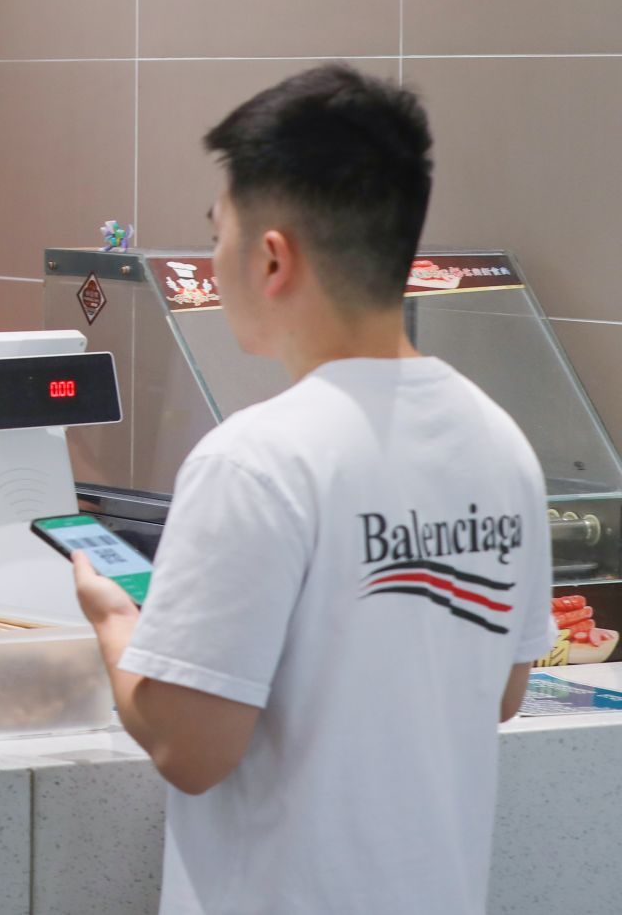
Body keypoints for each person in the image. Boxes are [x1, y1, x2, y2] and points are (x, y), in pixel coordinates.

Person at [71, 64, 552, 914]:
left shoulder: (254, 461)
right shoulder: (500, 442)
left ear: (271, 257)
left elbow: (191, 747)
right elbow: (504, 692)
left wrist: (115, 620)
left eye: (216, 231)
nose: (210, 260)